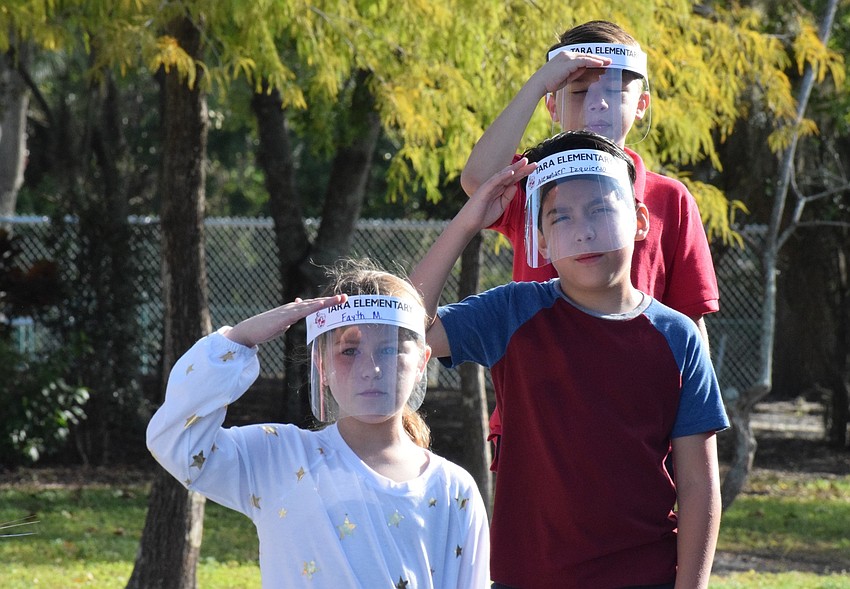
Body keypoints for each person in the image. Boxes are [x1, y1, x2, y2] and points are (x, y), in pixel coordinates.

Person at [411, 130, 729, 589]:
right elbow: (406, 328)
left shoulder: (677, 336)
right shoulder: (511, 313)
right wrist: (467, 221)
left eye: (601, 209)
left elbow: (699, 487)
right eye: (560, 217)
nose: (583, 230)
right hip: (527, 578)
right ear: (540, 237)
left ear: (640, 221)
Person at [460, 20, 720, 466]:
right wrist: (540, 80)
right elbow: (479, 181)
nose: (597, 102)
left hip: (641, 424)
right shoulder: (530, 185)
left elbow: (690, 323)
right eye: (577, 91)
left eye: (616, 90)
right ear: (552, 106)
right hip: (537, 421)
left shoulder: (669, 199)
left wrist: (693, 432)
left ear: (641, 105)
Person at [146, 259, 490, 589]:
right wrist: (240, 339)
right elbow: (176, 440)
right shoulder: (277, 458)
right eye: (349, 350)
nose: (371, 368)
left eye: (389, 350)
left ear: (421, 362)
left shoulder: (452, 489)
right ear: (321, 364)